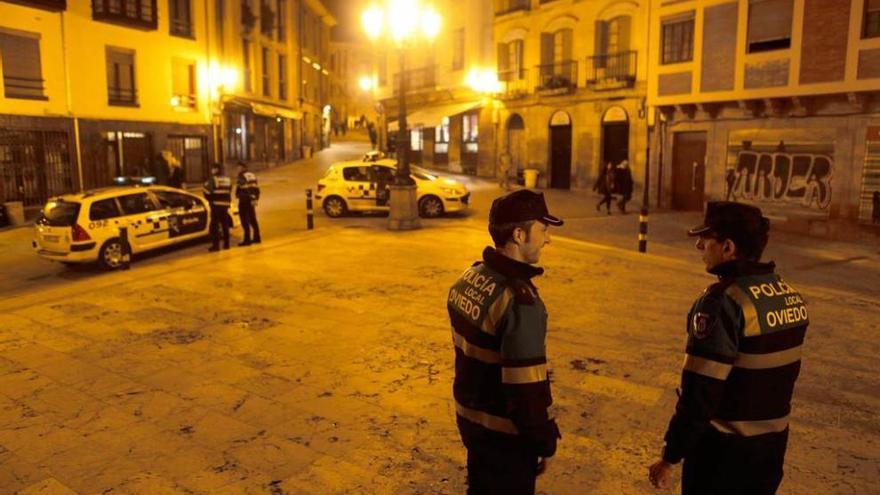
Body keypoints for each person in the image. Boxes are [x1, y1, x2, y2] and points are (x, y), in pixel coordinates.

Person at [648, 201, 809, 495]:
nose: (699, 246)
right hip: (771, 450)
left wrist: (670, 456)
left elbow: (700, 393)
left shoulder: (722, 302)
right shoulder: (788, 295)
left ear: (728, 247)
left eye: (705, 239)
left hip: (724, 456)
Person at [448, 190, 564, 495]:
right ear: (518, 234)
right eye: (543, 230)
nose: (547, 239)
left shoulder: (468, 278)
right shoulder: (520, 303)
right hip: (506, 441)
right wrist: (545, 441)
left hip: (472, 427)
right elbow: (526, 391)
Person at [203, 163, 232, 252]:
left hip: (216, 205)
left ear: (216, 169)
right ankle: (226, 245)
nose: (212, 170)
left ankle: (216, 246)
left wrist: (210, 200)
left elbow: (206, 192)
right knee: (225, 225)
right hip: (225, 205)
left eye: (213, 169)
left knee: (214, 226)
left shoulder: (213, 179)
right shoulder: (228, 179)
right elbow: (229, 190)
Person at [235, 161, 261, 246]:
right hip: (252, 200)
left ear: (243, 168)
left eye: (238, 167)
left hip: (244, 200)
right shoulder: (252, 175)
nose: (237, 169)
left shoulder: (241, 176)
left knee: (244, 220)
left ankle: (247, 240)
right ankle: (257, 238)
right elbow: (256, 188)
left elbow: (240, 188)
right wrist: (255, 198)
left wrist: (237, 195)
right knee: (253, 219)